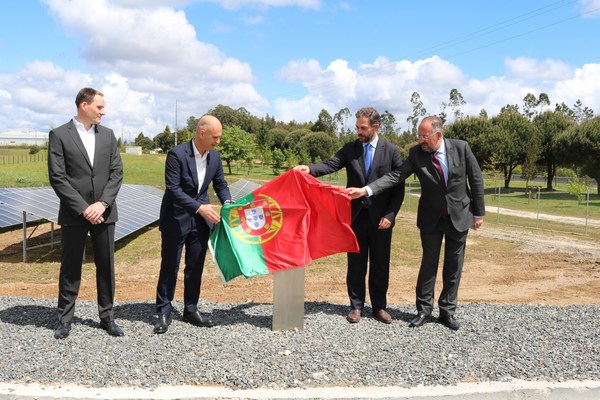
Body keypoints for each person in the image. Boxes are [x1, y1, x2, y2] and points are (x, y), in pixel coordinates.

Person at [348, 115, 485, 331]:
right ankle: (424, 310)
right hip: (431, 218)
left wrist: (478, 213)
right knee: (428, 265)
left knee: (453, 266)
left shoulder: (461, 148)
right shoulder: (416, 154)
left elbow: (476, 179)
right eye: (419, 135)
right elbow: (396, 177)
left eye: (424, 136)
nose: (420, 140)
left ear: (438, 135)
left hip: (458, 216)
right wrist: (366, 190)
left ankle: (447, 312)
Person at [294, 107, 404, 324]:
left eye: (363, 128)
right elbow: (331, 164)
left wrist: (390, 215)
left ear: (376, 127)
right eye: (357, 127)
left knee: (380, 264)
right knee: (356, 264)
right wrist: (310, 168)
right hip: (355, 218)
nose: (359, 132)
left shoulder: (391, 151)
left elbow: (398, 188)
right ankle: (356, 306)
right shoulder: (351, 148)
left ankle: (380, 307)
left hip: (382, 220)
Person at [48, 87, 124, 339]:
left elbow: (116, 173)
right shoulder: (59, 135)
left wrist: (102, 203)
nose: (103, 111)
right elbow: (58, 178)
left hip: (105, 212)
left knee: (106, 266)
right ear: (84, 105)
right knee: (70, 267)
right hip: (74, 214)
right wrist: (83, 208)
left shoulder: (108, 135)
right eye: (99, 107)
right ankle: (64, 319)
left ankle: (107, 317)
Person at [154, 115, 232, 334]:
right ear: (202, 132)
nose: (218, 141)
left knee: (195, 265)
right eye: (215, 137)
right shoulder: (177, 154)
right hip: (175, 219)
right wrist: (200, 207)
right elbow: (173, 189)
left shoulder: (215, 157)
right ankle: (163, 310)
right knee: (170, 265)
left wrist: (227, 201)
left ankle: (190, 309)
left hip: (200, 222)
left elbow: (220, 184)